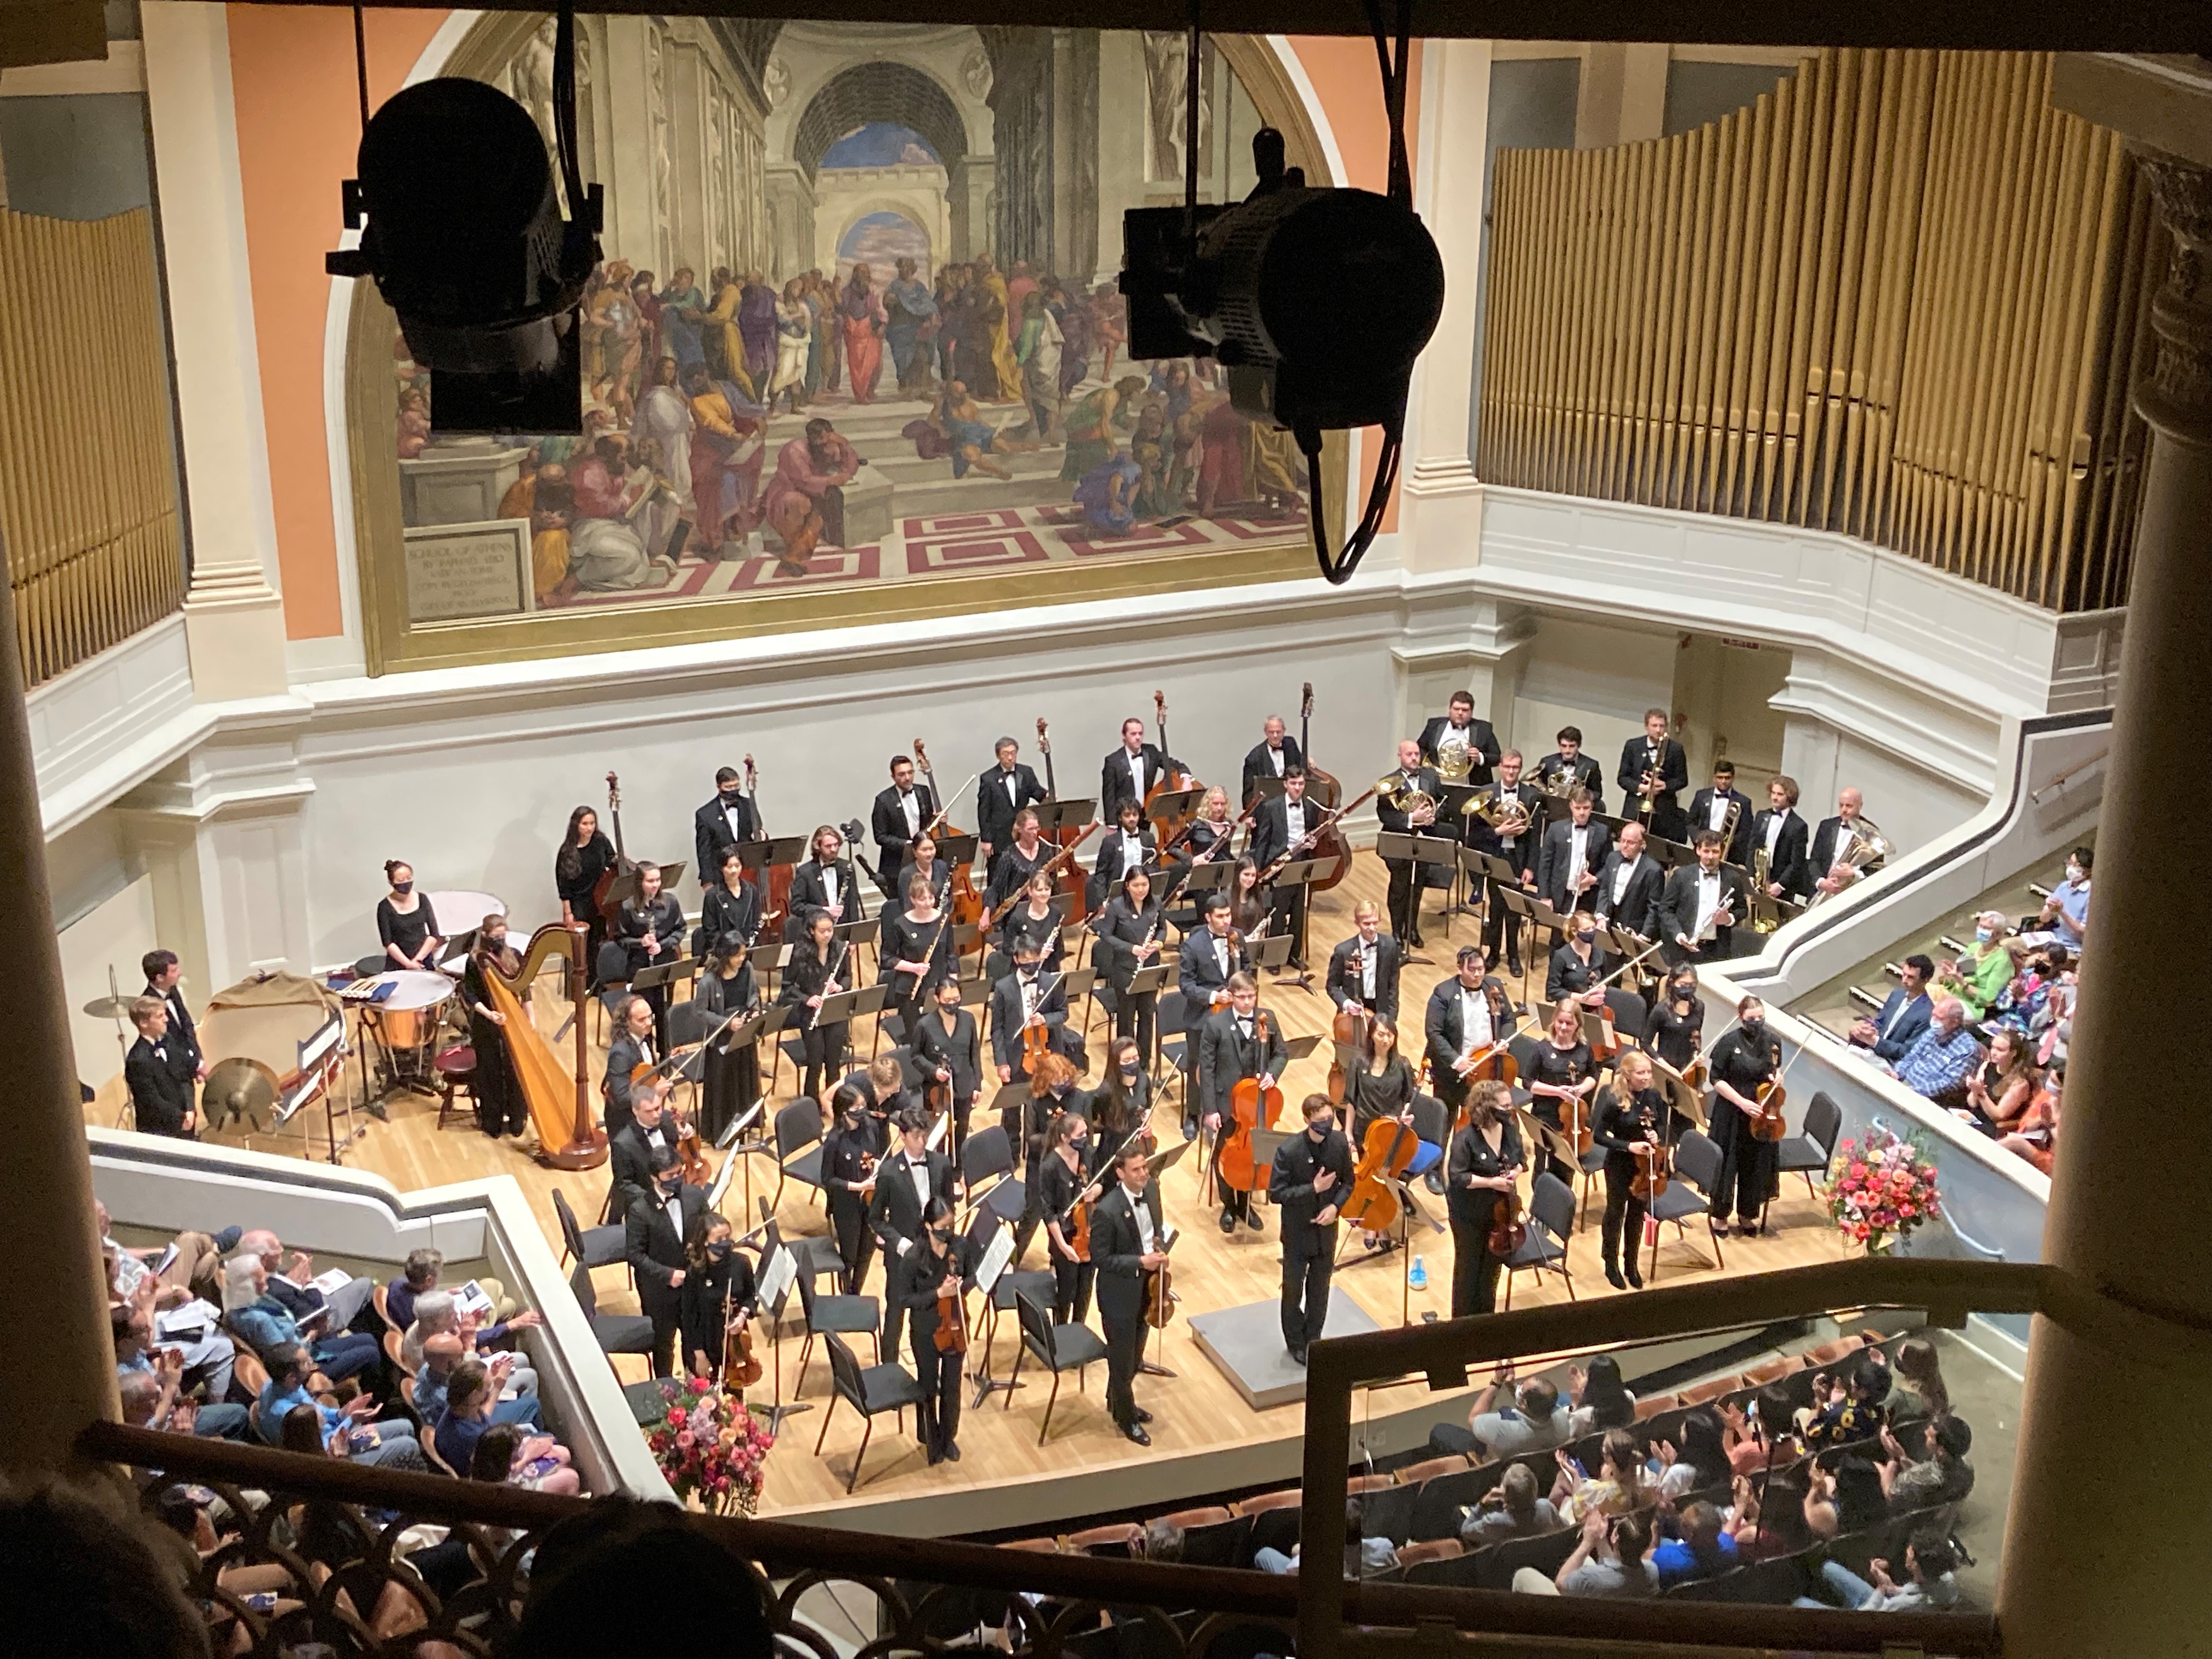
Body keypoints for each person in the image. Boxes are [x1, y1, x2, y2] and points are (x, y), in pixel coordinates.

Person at [868, 1103, 962, 1353]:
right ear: (902, 1135)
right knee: (896, 1314)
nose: (922, 1142)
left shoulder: (941, 1164)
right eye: (916, 1136)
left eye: (925, 1135)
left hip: (935, 1253)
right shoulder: (888, 1173)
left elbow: (948, 1207)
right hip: (903, 1255)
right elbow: (875, 1218)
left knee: (933, 1311)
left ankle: (930, 1364)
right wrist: (900, 1244)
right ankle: (890, 1368)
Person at [1198, 974, 1287, 1234]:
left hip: (1257, 1103)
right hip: (1227, 1103)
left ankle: (1246, 1205)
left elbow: (1281, 1053)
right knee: (1225, 1153)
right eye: (1242, 997)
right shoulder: (1216, 1024)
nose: (1248, 1003)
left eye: (1252, 996)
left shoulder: (1267, 1018)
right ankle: (1228, 1206)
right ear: (1232, 995)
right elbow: (1207, 1069)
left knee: (1254, 1152)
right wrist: (1211, 1109)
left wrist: (1272, 1073)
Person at [1092, 1143, 1167, 1446]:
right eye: (1136, 1170)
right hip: (1119, 1295)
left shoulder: (1152, 1191)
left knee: (1136, 1353)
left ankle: (1116, 1398)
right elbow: (1101, 1259)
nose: (1143, 1174)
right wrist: (1140, 1262)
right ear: (1121, 1173)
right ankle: (1126, 1418)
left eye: (1144, 1167)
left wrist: (1161, 1247)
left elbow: (1155, 1230)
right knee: (1123, 1360)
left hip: (1148, 1286)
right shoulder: (1106, 1212)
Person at [1271, 1094, 1355, 1364]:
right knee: (1293, 1291)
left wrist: (1335, 1208)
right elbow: (1277, 1193)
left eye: (1330, 1119)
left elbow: (1348, 1184)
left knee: (1320, 1291)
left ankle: (1313, 1339)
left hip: (1326, 1232)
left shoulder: (1339, 1143)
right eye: (1320, 1121)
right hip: (1298, 1232)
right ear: (1307, 1120)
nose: (1327, 1125)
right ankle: (1295, 1342)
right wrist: (1313, 1189)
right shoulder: (1289, 1151)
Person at [222, 1251, 379, 1382]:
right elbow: (284, 1360)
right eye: (261, 1283)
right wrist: (308, 1339)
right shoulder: (259, 1320)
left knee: (368, 1339)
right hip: (302, 1368)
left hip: (302, 1344)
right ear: (246, 1287)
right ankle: (378, 1404)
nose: (267, 1285)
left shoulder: (242, 1302)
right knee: (370, 1353)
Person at [900, 1197, 975, 1466]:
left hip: (954, 1324)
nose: (949, 1231)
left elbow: (973, 1275)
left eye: (951, 1224)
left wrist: (962, 1285)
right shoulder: (914, 1257)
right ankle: (930, 1438)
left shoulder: (960, 1246)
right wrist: (938, 1293)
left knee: (953, 1387)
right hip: (926, 1330)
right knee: (928, 1386)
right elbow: (904, 1299)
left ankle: (948, 1437)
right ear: (929, 1226)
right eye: (943, 1226)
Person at [255, 1342, 417, 1464]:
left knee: (407, 1426)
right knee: (409, 1445)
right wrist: (351, 1420)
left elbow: (320, 1411)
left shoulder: (282, 1384)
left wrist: (342, 1414)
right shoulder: (289, 1415)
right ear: (291, 1377)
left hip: (336, 1435)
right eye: (305, 1363)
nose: (311, 1362)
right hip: (334, 1458)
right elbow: (325, 1449)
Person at [624, 1146, 707, 1378]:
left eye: (679, 1173)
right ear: (654, 1178)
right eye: (670, 1176)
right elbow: (636, 1255)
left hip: (692, 1287)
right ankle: (665, 1395)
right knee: (664, 1346)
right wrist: (669, 1275)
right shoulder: (640, 1211)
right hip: (660, 1293)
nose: (677, 1179)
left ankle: (695, 1394)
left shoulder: (695, 1196)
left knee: (693, 1341)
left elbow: (706, 1232)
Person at [1446, 1080, 1526, 1319]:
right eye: (1504, 1106)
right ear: (1487, 1107)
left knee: (1492, 1269)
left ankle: (1486, 1318)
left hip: (1500, 1213)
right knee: (1468, 1269)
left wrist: (1516, 1172)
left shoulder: (1510, 1129)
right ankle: (1462, 1323)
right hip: (1469, 1213)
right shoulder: (1466, 1138)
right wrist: (1491, 1182)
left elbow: (1521, 1160)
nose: (1509, 1110)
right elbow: (1458, 1177)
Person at [1706, 995, 1781, 1235]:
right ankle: (1720, 1216)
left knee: (1756, 1163)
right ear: (1741, 1018)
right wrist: (1741, 1102)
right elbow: (1715, 1080)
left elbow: (1775, 1070)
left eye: (1761, 1017)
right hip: (1732, 1110)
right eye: (1752, 1018)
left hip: (1761, 1113)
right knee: (1728, 1163)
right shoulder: (1729, 1042)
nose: (1757, 1021)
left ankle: (1748, 1214)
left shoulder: (1773, 1041)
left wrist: (1778, 1078)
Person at [1593, 1048, 1668, 1289]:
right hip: (1619, 1165)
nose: (1646, 1077)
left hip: (1646, 1168)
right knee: (1615, 1213)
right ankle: (1611, 1264)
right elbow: (1599, 1136)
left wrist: (1658, 1135)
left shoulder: (1653, 1096)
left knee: (1637, 1214)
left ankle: (1631, 1263)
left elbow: (1665, 1126)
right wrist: (1628, 1146)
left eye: (1648, 1072)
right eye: (1641, 1073)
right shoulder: (1615, 1100)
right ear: (1627, 1075)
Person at [763, 417, 861, 573]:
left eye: (826, 438)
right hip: (787, 492)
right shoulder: (794, 450)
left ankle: (792, 557)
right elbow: (804, 480)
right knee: (802, 503)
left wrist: (844, 445)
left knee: (817, 522)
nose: (822, 443)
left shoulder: (829, 447)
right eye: (819, 439)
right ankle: (791, 554)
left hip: (815, 494)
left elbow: (850, 469)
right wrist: (834, 479)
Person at [461, 912, 528, 1138]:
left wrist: (531, 1021)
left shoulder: (515, 956)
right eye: (496, 936)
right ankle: (493, 1121)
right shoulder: (475, 962)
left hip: (513, 1023)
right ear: (486, 936)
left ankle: (518, 1117)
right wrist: (490, 1014)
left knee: (514, 1070)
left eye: (503, 935)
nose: (501, 940)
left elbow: (525, 992)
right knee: (489, 1071)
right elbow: (470, 995)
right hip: (486, 1022)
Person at [1094, 865, 1166, 1068]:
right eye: (1136, 885)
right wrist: (1131, 949)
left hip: (1149, 968)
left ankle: (1144, 1063)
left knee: (1147, 1015)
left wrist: (1158, 944)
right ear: (1127, 886)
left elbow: (1162, 929)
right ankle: (1125, 1062)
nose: (1141, 889)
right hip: (1125, 970)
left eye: (1145, 884)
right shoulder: (1117, 907)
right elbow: (1106, 935)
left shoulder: (1156, 903)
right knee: (1126, 1020)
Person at [1248, 766, 1322, 963]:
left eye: (1301, 784)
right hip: (1280, 862)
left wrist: (1313, 843)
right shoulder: (1272, 807)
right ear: (1285, 784)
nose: (1298, 788)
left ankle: (1293, 955)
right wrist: (1258, 869)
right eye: (1294, 784)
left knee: (1299, 911)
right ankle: (1272, 958)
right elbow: (1263, 840)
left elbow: (1312, 832)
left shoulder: (1311, 806)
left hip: (1302, 860)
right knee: (1279, 912)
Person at [693, 938, 761, 1146]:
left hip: (744, 1032)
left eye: (743, 954)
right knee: (725, 1084)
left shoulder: (747, 968)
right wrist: (726, 1023)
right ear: (725, 956)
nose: (742, 958)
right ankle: (722, 1130)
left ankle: (746, 1124)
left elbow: (753, 994)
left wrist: (755, 1009)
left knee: (745, 1079)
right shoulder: (708, 981)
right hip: (722, 1037)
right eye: (737, 955)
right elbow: (699, 1011)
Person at [1524, 999, 1598, 1190]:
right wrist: (1558, 1092)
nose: (1564, 1027)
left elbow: (1593, 1076)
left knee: (1566, 1168)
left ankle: (1560, 1208)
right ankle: (1539, 1209)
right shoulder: (1542, 1049)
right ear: (1554, 1021)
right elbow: (1529, 1083)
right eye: (1560, 1022)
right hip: (1546, 1116)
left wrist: (1581, 1089)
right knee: (1542, 1164)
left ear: (1578, 1025)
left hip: (1573, 1121)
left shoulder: (1584, 1048)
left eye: (1569, 1023)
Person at [1376, 739, 1443, 946]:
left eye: (1416, 754)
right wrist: (1411, 819)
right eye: (1409, 754)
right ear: (1400, 756)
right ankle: (1397, 931)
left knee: (1417, 887)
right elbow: (1385, 815)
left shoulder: (1431, 777)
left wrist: (1434, 816)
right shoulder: (1388, 782)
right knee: (1399, 887)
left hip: (1424, 840)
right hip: (1398, 841)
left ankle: (1412, 929)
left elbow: (1442, 803)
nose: (1414, 758)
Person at [1040, 1111, 1104, 1324]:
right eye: (1080, 1134)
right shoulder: (1050, 1166)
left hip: (1088, 1231)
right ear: (1065, 1138)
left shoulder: (1086, 1153)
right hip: (1065, 1238)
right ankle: (1061, 1334)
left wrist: (1096, 1189)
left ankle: (1079, 1329)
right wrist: (1063, 1247)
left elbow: (1100, 1181)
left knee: (1084, 1293)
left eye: (1086, 1132)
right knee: (1066, 1293)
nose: (1086, 1138)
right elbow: (1048, 1212)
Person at [1795, 1530, 1960, 1612]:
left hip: (1871, 1612)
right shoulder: (1946, 1579)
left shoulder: (1906, 1605)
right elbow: (1911, 1591)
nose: (1906, 1556)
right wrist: (1890, 1586)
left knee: (1799, 1603)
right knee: (1829, 1568)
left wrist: (1880, 1589)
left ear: (1916, 1565)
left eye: (1910, 1556)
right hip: (1885, 1601)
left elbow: (1869, 1616)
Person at [681, 1211, 757, 1385]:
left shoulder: (741, 1263)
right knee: (705, 1394)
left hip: (734, 1339)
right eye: (719, 1239)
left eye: (727, 1237)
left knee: (735, 1391)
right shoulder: (695, 1273)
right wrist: (699, 1354)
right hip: (704, 1340)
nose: (725, 1243)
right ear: (706, 1241)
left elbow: (751, 1295)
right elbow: (688, 1317)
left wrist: (742, 1315)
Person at [781, 910, 851, 1100]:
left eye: (830, 930)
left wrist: (839, 986)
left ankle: (834, 1103)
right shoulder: (800, 953)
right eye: (822, 931)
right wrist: (807, 999)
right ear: (812, 931)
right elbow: (787, 987)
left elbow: (848, 978)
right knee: (815, 1063)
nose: (827, 935)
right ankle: (812, 1104)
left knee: (834, 1062)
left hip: (834, 1011)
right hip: (810, 1014)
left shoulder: (840, 948)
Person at [991, 940, 1082, 1084]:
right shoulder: (1003, 988)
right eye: (1025, 960)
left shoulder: (1052, 983)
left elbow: (1063, 1013)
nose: (1030, 963)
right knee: (1012, 1104)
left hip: (1048, 1055)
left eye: (1034, 959)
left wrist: (1045, 1019)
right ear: (1016, 959)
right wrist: (1002, 1062)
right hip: (1015, 1057)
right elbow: (997, 1028)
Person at [879, 875, 954, 1046]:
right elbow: (887, 958)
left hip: (938, 986)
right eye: (922, 899)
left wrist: (953, 982)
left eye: (931, 898)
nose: (928, 903)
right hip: (909, 988)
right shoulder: (900, 924)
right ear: (913, 899)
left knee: (940, 1037)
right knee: (917, 1039)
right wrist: (914, 968)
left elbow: (950, 953)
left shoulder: (943, 920)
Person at [615, 862, 684, 1046]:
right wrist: (641, 943)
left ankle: (664, 1053)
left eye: (658, 880)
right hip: (640, 968)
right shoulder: (628, 907)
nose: (655, 885)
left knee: (664, 1012)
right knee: (642, 1016)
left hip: (664, 964)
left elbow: (680, 929)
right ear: (640, 882)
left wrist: (663, 945)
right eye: (650, 881)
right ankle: (645, 1055)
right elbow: (620, 939)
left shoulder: (670, 903)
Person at [911, 974, 983, 1146]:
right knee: (938, 1135)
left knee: (961, 1132)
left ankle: (958, 1170)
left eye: (956, 998)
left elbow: (975, 1053)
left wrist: (977, 1084)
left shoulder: (968, 1019)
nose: (952, 1003)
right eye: (947, 999)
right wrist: (934, 1070)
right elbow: (915, 1056)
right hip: (937, 1091)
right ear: (937, 999)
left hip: (964, 1086)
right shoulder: (925, 1025)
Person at [1657, 830, 1746, 966]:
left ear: (1722, 852)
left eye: (1715, 852)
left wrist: (1729, 919)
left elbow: (1742, 909)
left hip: (1717, 950)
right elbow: (1665, 909)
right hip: (1684, 949)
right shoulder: (1682, 875)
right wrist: (1678, 934)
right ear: (1698, 850)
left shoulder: (1733, 878)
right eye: (1706, 851)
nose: (1710, 856)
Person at [1520, 1511, 1653, 1598]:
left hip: (1584, 1622)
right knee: (1587, 1560)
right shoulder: (1652, 1572)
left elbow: (1560, 1583)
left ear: (1615, 1538)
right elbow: (1616, 1565)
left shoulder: (1589, 1578)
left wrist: (1588, 1542)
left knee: (1523, 1575)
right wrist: (1600, 1539)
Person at [555, 804, 619, 978]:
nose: (589, 828)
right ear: (576, 825)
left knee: (599, 942)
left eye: (592, 823)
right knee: (584, 946)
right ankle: (584, 985)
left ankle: (601, 980)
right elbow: (564, 886)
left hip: (600, 901)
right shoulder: (567, 851)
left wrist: (621, 861)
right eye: (585, 824)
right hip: (579, 904)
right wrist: (568, 913)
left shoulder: (601, 841)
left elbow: (611, 862)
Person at [1882, 996, 1982, 1105]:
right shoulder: (1932, 1032)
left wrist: (1913, 1090)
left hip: (1927, 1099)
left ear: (1955, 1022)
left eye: (1940, 1018)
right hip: (1903, 1083)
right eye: (1933, 1015)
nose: (1934, 1021)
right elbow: (1912, 1056)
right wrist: (1897, 1073)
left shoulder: (1968, 1048)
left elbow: (1950, 1084)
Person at [123, 995, 196, 1139]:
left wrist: (190, 1109)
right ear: (144, 1023)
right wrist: (180, 1118)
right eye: (160, 1016)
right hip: (160, 1131)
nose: (166, 1019)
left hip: (186, 1122)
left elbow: (184, 1077)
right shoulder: (137, 1059)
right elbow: (151, 1100)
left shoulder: (168, 1040)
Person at [975, 736, 1049, 874]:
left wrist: (1047, 795)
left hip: (1022, 834)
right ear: (998, 755)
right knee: (999, 876)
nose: (1010, 757)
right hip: (999, 837)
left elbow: (1036, 791)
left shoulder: (1026, 772)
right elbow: (983, 811)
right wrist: (986, 839)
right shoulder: (988, 778)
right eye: (1006, 754)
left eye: (1013, 753)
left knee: (1022, 875)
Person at [870, 754, 939, 896]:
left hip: (924, 862)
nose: (907, 778)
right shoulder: (883, 800)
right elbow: (880, 836)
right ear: (893, 776)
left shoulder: (923, 791)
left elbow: (927, 823)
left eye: (910, 772)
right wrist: (909, 844)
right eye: (901, 774)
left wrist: (938, 819)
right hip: (897, 864)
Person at [1618, 708, 1690, 841]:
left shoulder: (1676, 749)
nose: (1658, 730)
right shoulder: (1633, 746)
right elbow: (1622, 778)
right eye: (1654, 726)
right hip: (1635, 807)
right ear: (1646, 726)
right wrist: (1641, 787)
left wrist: (1664, 786)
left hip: (1663, 811)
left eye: (1662, 726)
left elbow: (1682, 780)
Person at [1850, 953, 1936, 1062]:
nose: (1904, 980)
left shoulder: (1928, 1012)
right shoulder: (1897, 994)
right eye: (1904, 974)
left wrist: (1876, 1042)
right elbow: (1879, 1024)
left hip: (1891, 1062)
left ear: (1926, 980)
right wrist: (1867, 1031)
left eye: (1911, 977)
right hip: (1872, 1051)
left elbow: (1908, 1051)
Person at [1537, 788, 1610, 916]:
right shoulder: (1555, 829)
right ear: (1571, 806)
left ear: (1592, 806)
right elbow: (1545, 865)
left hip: (1588, 897)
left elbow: (1609, 865)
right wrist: (1545, 896)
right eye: (1578, 808)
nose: (1582, 813)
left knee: (1583, 935)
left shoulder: (1602, 832)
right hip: (1560, 894)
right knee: (1557, 935)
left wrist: (1595, 879)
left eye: (1586, 808)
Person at [1881, 1413, 1975, 1511]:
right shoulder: (1968, 1469)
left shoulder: (1924, 1477)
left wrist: (1893, 1461)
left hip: (1911, 1520)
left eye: (1931, 1436)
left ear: (1941, 1450)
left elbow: (1890, 1495)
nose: (1926, 1432)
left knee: (1875, 1466)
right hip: (1942, 1515)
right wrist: (1902, 1457)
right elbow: (1926, 1474)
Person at [1098, 715, 1181, 822]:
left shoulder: (1151, 752)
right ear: (1124, 735)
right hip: (1124, 816)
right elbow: (1109, 796)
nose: (1138, 737)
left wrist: (1186, 777)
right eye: (1133, 734)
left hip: (1145, 815)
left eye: (1140, 733)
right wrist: (1111, 824)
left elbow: (1173, 765)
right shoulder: (1113, 761)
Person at [787, 822, 860, 943]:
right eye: (828, 846)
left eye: (836, 845)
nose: (833, 849)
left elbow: (852, 905)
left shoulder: (847, 867)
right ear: (818, 847)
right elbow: (797, 906)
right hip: (815, 934)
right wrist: (825, 910)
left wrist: (853, 939)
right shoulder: (805, 872)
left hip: (841, 934)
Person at [1936, 911, 2016, 1020]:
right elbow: (1963, 974)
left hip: (1975, 1006)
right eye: (1980, 926)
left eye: (1986, 928)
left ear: (1998, 934)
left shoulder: (2002, 961)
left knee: (1940, 1012)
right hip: (1956, 992)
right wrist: (1950, 972)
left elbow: (1989, 998)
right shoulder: (1974, 947)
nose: (1981, 930)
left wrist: (1963, 984)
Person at [693, 766, 761, 893]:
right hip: (721, 875)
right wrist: (707, 882)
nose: (733, 790)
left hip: (749, 871)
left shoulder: (749, 805)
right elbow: (704, 852)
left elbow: (757, 832)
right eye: (728, 787)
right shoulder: (705, 814)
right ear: (719, 787)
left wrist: (761, 834)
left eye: (736, 786)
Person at [602, 992, 658, 1142]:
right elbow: (621, 1098)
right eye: (641, 1020)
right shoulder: (620, 1053)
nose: (648, 1023)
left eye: (650, 1017)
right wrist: (654, 1091)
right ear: (627, 1023)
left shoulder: (644, 1035)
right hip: (625, 1124)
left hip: (642, 1116)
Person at [1961, 1025, 2038, 1134]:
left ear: (2013, 1053)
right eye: (1993, 1047)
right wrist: (1975, 1090)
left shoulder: (2020, 1083)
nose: (1994, 1053)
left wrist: (1982, 1094)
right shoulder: (1987, 1066)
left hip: (1993, 1128)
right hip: (1974, 1117)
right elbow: (1972, 1103)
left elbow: (1998, 1115)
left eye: (2000, 1050)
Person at [1460, 1462, 1561, 1545]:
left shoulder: (1495, 1521)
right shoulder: (1547, 1506)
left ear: (1504, 1496)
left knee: (1458, 1512)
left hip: (1501, 1563)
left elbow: (1465, 1530)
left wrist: (1483, 1504)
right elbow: (1564, 1527)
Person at [1809, 787, 1884, 896]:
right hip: (1822, 891)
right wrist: (1821, 882)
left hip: (1850, 895)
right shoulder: (1826, 826)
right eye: (1841, 805)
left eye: (1849, 806)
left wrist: (1853, 874)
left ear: (1860, 806)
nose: (1844, 810)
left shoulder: (1872, 834)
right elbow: (1814, 861)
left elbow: (1875, 872)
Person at [695, 845, 764, 963]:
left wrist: (747, 947)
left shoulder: (752, 891)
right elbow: (710, 931)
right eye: (729, 866)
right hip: (723, 955)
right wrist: (728, 950)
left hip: (747, 951)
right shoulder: (712, 896)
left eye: (737, 866)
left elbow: (755, 922)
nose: (734, 871)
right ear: (722, 868)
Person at [1086, 799, 1158, 912]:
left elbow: (1155, 866)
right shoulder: (1110, 842)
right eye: (1127, 815)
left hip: (1142, 891)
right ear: (1120, 818)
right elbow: (1101, 874)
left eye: (1135, 815)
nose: (1132, 819)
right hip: (1119, 895)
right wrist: (1102, 901)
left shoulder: (1148, 838)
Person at [1418, 690, 1501, 787]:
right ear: (1450, 709)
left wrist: (1480, 757)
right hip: (1437, 784)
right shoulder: (1434, 725)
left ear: (1471, 712)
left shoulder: (1483, 729)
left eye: (1465, 710)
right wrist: (1427, 767)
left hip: (1471, 786)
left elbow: (1497, 757)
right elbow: (1419, 748)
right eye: (1456, 709)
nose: (1460, 713)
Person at [1752, 774, 1813, 901]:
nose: (1775, 797)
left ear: (1790, 797)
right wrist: (1751, 875)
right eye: (1773, 793)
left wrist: (1781, 884)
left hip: (1781, 886)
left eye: (1780, 794)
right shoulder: (1762, 816)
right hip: (1758, 880)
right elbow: (1752, 847)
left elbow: (1797, 861)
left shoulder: (1799, 826)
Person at [1687, 759, 1756, 868]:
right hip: (1703, 851)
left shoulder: (1744, 802)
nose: (1723, 782)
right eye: (1720, 778)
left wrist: (1726, 845)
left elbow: (1746, 831)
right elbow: (1690, 821)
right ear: (1714, 777)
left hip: (1729, 856)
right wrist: (1699, 839)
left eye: (1727, 778)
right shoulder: (1701, 796)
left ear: (1733, 778)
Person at [1651, 1500, 1736, 1589]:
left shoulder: (1666, 1560)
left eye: (1683, 1522)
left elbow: (1646, 1561)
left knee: (1666, 1541)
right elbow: (1725, 1533)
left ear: (1691, 1535)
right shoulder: (1730, 1546)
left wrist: (1654, 1529)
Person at [376, 859, 443, 971]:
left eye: (409, 878)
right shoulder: (384, 907)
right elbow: (388, 943)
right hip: (398, 962)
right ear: (391, 882)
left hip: (423, 958)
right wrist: (408, 964)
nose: (406, 883)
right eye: (401, 880)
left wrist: (418, 960)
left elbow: (434, 934)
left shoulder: (422, 899)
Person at [1645, 964, 1705, 1076]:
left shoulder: (1700, 1007)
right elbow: (1645, 1043)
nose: (1688, 988)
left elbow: (1696, 1034)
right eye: (1683, 984)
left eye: (1691, 985)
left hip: (1688, 1069)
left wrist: (1698, 1053)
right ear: (1673, 983)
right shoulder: (1661, 1010)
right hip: (1666, 1067)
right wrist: (1666, 1067)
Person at [2029, 846, 2092, 948]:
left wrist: (2061, 912)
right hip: (2054, 937)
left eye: (2076, 866)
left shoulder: (2090, 895)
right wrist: (2049, 909)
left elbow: (2082, 933)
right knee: (2010, 945)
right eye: (2070, 863)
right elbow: (2043, 919)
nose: (2071, 868)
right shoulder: (2064, 886)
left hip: (2071, 946)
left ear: (2087, 871)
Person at [1531, 726, 1606, 812]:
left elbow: (1597, 793)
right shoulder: (1548, 762)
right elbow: (1535, 788)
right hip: (1552, 810)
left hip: (1578, 810)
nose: (1567, 750)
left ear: (1579, 745)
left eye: (1572, 746)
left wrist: (1583, 796)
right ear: (1559, 745)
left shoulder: (1591, 765)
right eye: (1564, 746)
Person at [1884, 1335, 1952, 1428]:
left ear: (1908, 1364)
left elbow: (1875, 1413)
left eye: (1900, 1354)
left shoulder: (1897, 1396)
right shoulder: (1937, 1391)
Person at [1240, 714, 1306, 805]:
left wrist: (1307, 761)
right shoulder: (1254, 758)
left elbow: (1300, 768)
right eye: (1271, 732)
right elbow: (1249, 792)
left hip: (1290, 802)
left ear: (1284, 731)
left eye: (1278, 732)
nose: (1275, 736)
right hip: (1266, 806)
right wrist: (1249, 814)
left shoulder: (1290, 744)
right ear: (1266, 732)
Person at [1567, 1353, 1638, 1433]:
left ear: (1592, 1383)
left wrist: (1575, 1402)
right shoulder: (1629, 1397)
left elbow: (1568, 1435)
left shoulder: (1581, 1416)